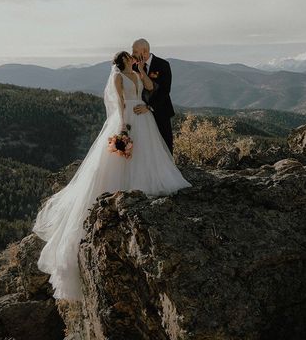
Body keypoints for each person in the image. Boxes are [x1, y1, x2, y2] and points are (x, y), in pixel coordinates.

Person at [32, 50, 191, 301]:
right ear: (123, 60)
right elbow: (118, 100)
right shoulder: (118, 77)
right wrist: (122, 124)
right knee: (118, 159)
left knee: (148, 153)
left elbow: (151, 87)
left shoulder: (137, 72)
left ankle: (147, 181)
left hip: (143, 114)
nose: (134, 58)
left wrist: (141, 75)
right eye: (130, 56)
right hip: (127, 116)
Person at [131, 38, 176, 153]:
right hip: (141, 113)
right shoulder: (134, 67)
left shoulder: (163, 65)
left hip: (160, 110)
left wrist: (149, 107)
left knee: (165, 141)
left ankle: (168, 169)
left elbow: (165, 91)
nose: (132, 54)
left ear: (145, 51)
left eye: (135, 52)